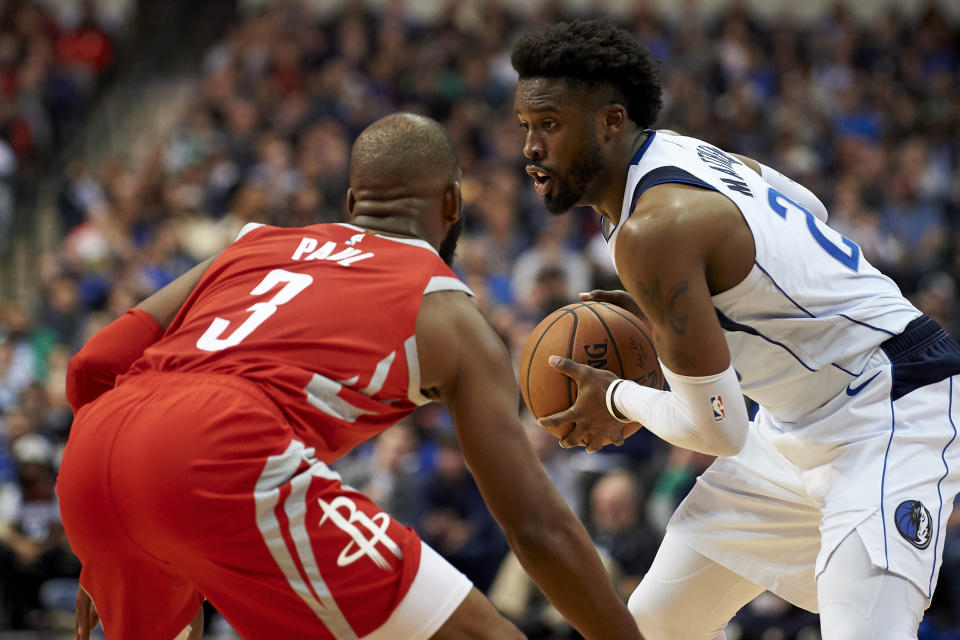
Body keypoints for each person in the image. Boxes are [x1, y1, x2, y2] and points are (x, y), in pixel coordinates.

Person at [57, 113, 641, 640]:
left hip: (95, 452)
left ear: (352, 200)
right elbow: (536, 526)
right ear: (452, 204)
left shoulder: (254, 245)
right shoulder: (447, 311)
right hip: (216, 442)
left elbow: (93, 363)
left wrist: (106, 520)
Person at [512, 18, 960, 640]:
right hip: (792, 426)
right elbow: (810, 208)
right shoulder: (681, 152)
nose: (531, 147)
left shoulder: (652, 228)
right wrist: (707, 302)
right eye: (525, 127)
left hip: (889, 409)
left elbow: (715, 431)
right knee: (650, 630)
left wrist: (614, 396)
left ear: (610, 122)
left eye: (550, 125)